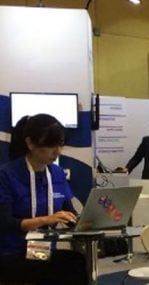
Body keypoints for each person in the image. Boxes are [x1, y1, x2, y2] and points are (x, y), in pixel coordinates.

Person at [0, 114, 87, 285]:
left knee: (75, 262)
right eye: (50, 145)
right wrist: (45, 220)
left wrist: (84, 221)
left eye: (60, 144)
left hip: (41, 253)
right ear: (30, 143)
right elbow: (5, 223)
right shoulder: (6, 175)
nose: (57, 151)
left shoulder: (57, 173)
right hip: (12, 253)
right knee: (37, 270)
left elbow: (68, 212)